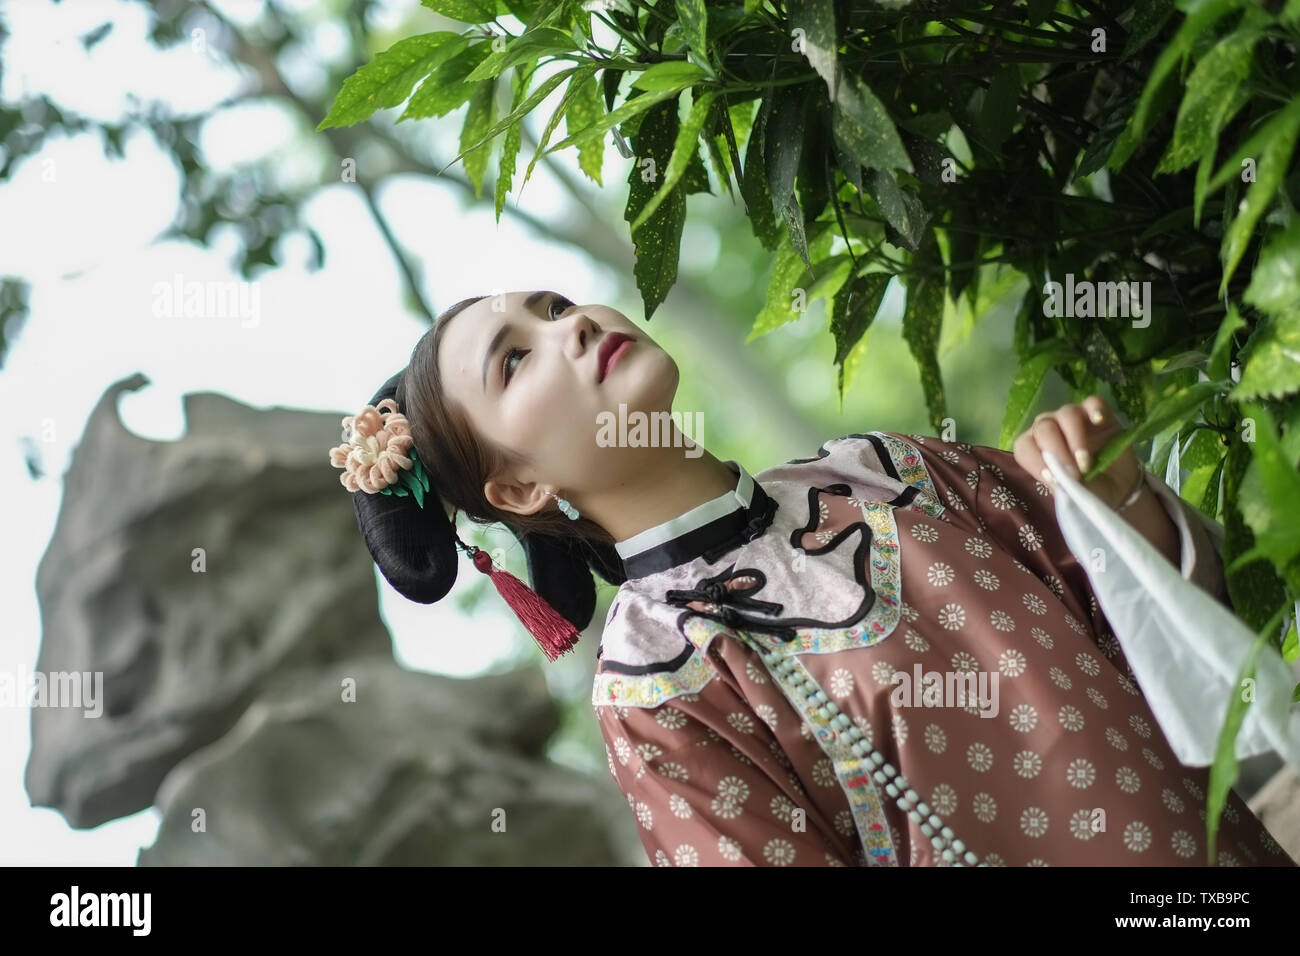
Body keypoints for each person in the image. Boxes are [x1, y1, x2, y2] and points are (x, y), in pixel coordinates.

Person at [329, 289, 1296, 867]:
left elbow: (1180, 641)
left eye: (550, 305)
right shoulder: (659, 689)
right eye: (516, 358)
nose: (569, 324)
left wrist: (1120, 503)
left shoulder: (892, 470)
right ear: (521, 487)